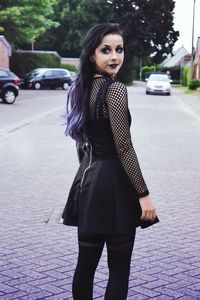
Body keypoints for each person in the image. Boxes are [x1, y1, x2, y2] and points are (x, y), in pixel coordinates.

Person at [62, 23, 159, 300]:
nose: (115, 57)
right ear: (92, 54)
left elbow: (81, 145)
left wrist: (87, 177)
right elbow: (124, 147)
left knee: (85, 267)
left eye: (119, 49)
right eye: (106, 50)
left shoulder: (80, 87)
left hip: (88, 185)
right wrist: (144, 195)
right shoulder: (114, 90)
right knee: (118, 269)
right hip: (116, 186)